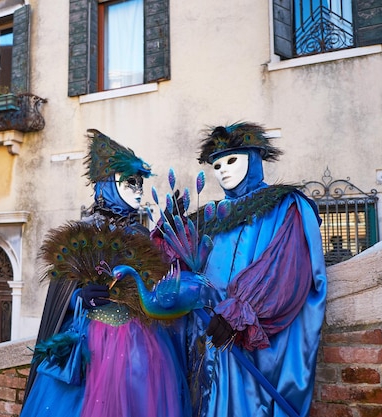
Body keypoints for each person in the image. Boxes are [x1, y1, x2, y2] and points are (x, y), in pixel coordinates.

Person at [21, 129, 190, 417]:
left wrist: (172, 236)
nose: (138, 189)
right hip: (93, 342)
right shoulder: (84, 231)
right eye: (130, 182)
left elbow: (157, 284)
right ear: (107, 186)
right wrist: (79, 296)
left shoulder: (141, 233)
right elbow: (61, 295)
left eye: (140, 183)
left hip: (142, 343)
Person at [184, 122, 327, 417]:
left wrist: (241, 310)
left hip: (252, 340)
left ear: (253, 159)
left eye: (232, 160)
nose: (223, 170)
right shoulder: (210, 216)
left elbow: (286, 266)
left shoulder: (285, 204)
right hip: (209, 335)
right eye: (217, 164)